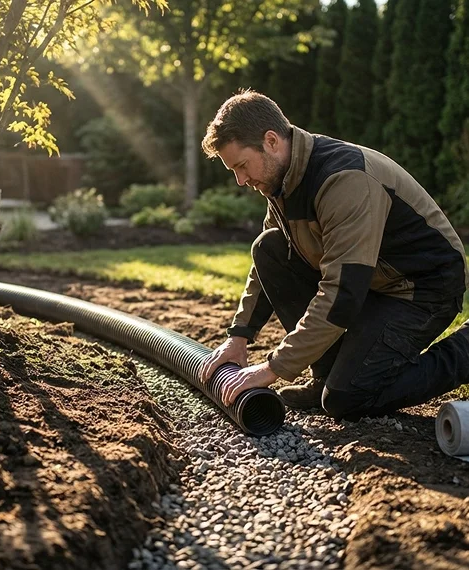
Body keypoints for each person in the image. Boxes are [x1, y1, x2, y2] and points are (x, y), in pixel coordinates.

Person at [199, 90, 469, 420]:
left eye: (242, 166)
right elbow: (270, 261)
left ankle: (465, 349)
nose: (241, 181)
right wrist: (239, 336)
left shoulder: (343, 179)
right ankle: (326, 376)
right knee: (267, 248)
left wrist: (274, 368)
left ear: (271, 141)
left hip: (422, 287)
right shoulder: (281, 180)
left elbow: (342, 293)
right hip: (372, 283)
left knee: (348, 398)